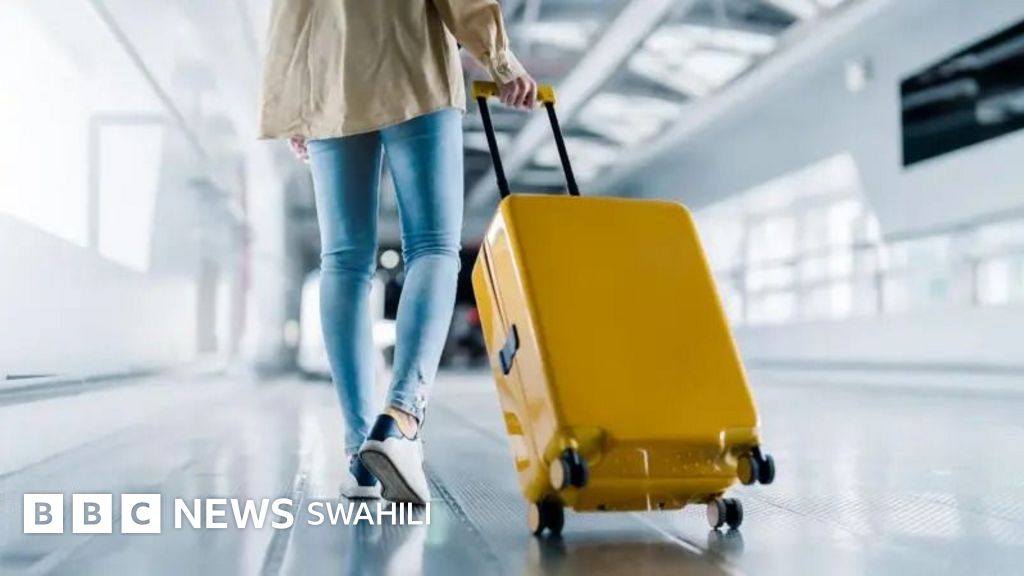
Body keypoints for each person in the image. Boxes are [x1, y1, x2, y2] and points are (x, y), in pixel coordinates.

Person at [258, 1, 536, 504]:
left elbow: (289, 12)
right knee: (433, 246)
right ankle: (402, 418)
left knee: (343, 261)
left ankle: (359, 453)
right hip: (415, 64)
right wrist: (499, 58)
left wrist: (293, 103)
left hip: (329, 79)